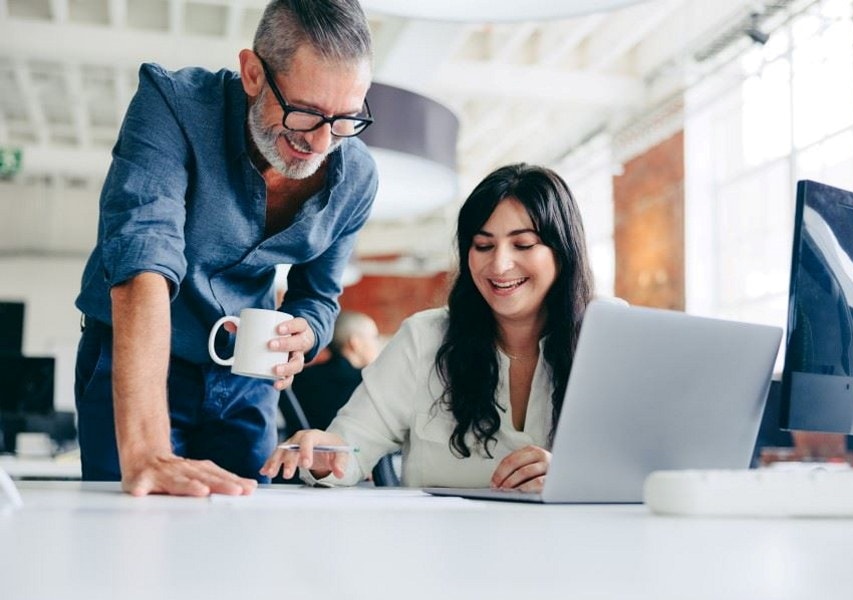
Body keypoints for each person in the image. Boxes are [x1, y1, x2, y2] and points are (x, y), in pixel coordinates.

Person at [73, 0, 377, 497]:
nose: (323, 142)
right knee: (130, 525)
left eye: (346, 118)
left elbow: (319, 296)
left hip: (245, 377)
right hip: (140, 361)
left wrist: (308, 334)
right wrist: (147, 449)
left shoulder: (357, 176)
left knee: (242, 533)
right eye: (306, 114)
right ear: (253, 73)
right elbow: (142, 258)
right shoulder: (173, 104)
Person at [262, 163, 595, 491]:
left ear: (562, 250)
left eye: (523, 244)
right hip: (439, 542)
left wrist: (575, 477)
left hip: (570, 541)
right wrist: (323, 453)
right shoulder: (425, 337)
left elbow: (641, 464)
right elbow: (352, 446)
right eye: (483, 245)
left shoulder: (604, 341)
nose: (500, 264)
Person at [290, 310, 382, 430]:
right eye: (374, 337)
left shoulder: (300, 377)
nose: (378, 344)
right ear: (355, 343)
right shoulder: (368, 383)